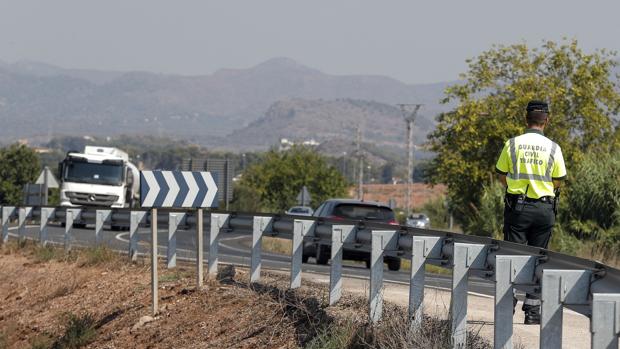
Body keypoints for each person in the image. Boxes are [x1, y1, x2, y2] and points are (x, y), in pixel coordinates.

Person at [495, 100, 567, 325]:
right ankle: (533, 312)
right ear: (547, 120)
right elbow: (559, 180)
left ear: (525, 119)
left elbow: (501, 175)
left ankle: (508, 306)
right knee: (539, 258)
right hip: (544, 209)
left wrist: (516, 188)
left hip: (518, 208)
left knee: (513, 257)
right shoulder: (554, 147)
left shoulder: (512, 144)